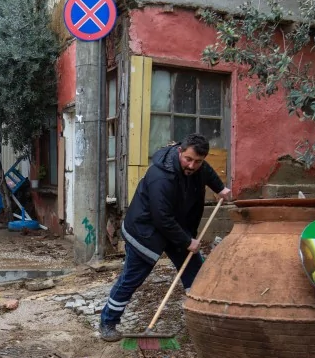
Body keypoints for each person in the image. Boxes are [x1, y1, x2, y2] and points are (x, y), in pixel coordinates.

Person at [99, 134, 233, 342]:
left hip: (175, 228)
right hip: (145, 231)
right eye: (188, 159)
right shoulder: (161, 176)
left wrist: (221, 189)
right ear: (180, 151)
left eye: (198, 161)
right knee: (132, 278)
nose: (192, 165)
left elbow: (206, 172)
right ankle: (108, 322)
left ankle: (199, 319)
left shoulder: (198, 167)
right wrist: (188, 241)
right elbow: (162, 218)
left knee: (196, 273)